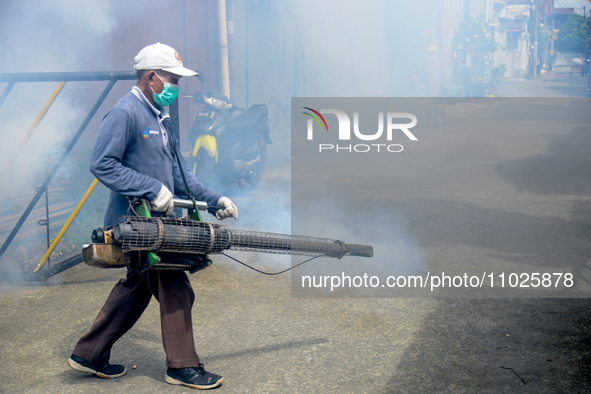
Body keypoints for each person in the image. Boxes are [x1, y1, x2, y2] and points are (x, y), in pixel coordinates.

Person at [67, 43, 236, 390]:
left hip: (159, 224)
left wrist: (214, 197)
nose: (175, 86)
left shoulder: (163, 118)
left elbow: (179, 173)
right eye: (171, 79)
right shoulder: (125, 113)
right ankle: (182, 366)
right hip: (135, 223)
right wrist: (148, 187)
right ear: (151, 77)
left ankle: (90, 353)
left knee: (138, 285)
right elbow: (102, 163)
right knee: (175, 286)